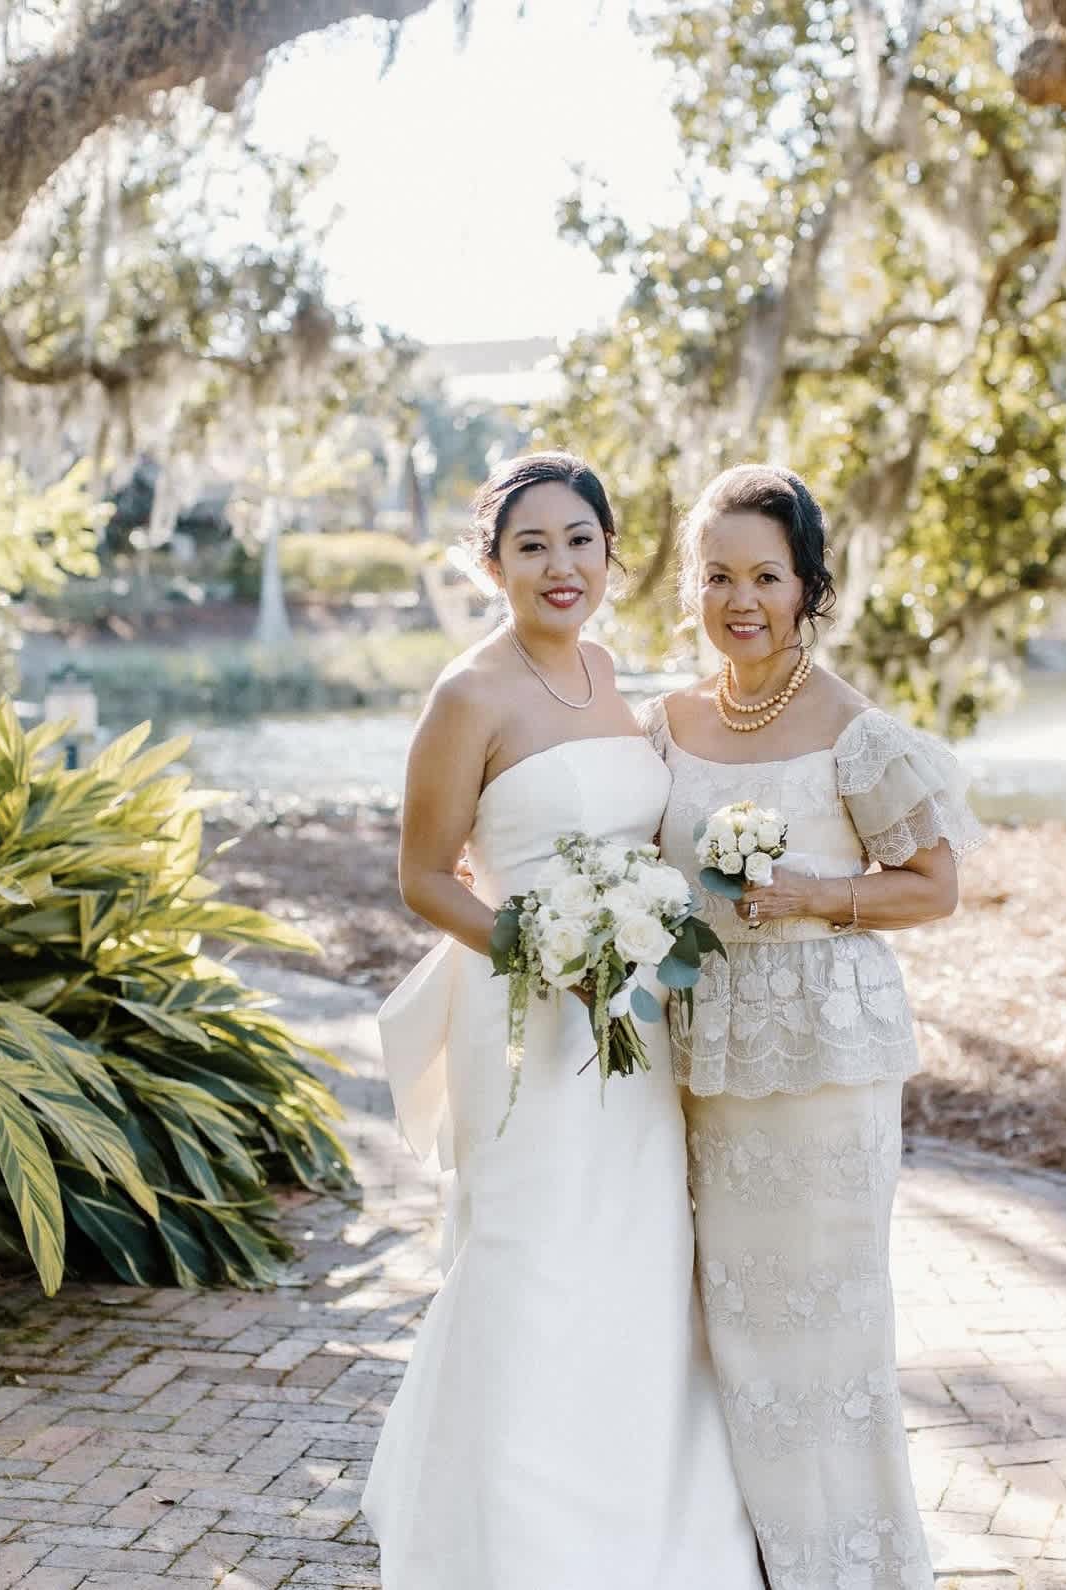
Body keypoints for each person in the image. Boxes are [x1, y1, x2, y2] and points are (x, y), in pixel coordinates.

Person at [360, 452, 762, 1590]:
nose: (560, 565)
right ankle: (507, 1538)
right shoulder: (467, 696)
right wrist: (541, 953)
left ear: (610, 554)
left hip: (634, 1016)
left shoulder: (608, 673)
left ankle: (639, 1520)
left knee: (634, 1249)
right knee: (530, 1249)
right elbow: (423, 878)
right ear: (492, 565)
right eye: (531, 546)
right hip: (524, 1018)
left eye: (580, 540)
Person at [638, 463, 985, 1590]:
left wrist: (814, 896)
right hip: (707, 1059)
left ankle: (852, 1564)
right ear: (693, 587)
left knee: (828, 1324)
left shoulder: (855, 731)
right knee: (728, 1315)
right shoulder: (665, 727)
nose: (741, 600)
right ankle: (742, 1558)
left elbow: (932, 886)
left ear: (808, 587)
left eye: (767, 577)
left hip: (827, 1061)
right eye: (718, 576)